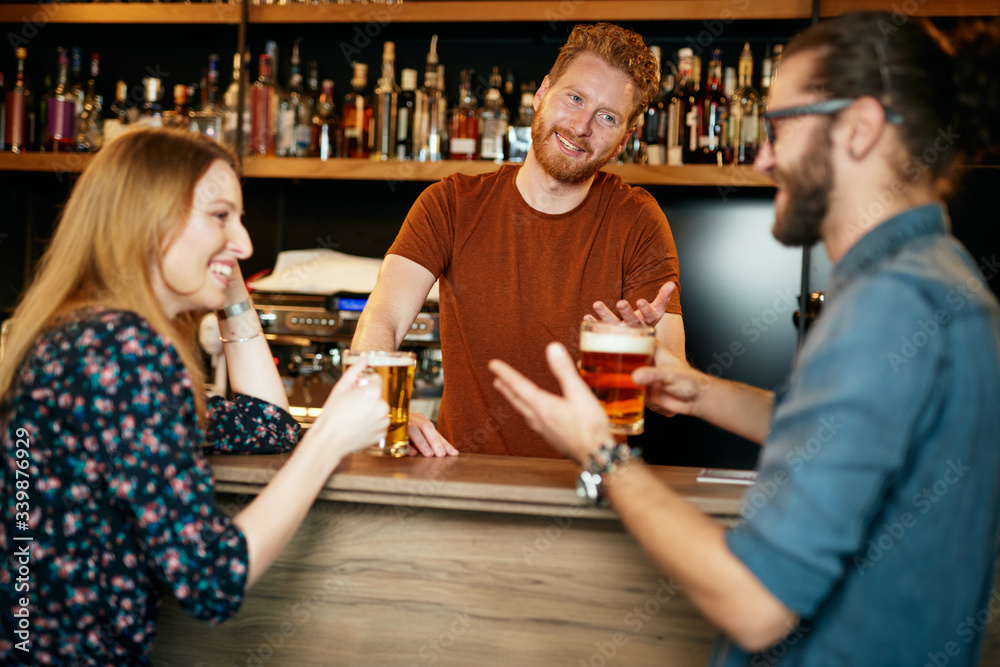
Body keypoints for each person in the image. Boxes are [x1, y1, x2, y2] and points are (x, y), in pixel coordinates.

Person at [490, 13, 1000, 666]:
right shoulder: (939, 281)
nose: (762, 159)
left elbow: (754, 602)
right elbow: (843, 441)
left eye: (781, 128)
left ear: (859, 128)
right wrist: (698, 391)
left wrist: (600, 454)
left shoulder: (889, 307)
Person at [0, 128, 390, 664]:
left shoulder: (79, 336)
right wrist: (326, 441)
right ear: (148, 218)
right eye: (220, 216)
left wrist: (230, 292)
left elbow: (266, 423)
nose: (247, 243)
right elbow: (212, 580)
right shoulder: (125, 351)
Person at [352, 22, 685, 458]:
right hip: (461, 482)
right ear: (543, 92)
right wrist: (386, 411)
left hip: (591, 494)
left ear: (624, 138)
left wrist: (645, 351)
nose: (582, 126)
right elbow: (383, 319)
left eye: (607, 117)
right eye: (575, 98)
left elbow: (672, 399)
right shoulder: (450, 204)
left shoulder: (638, 220)